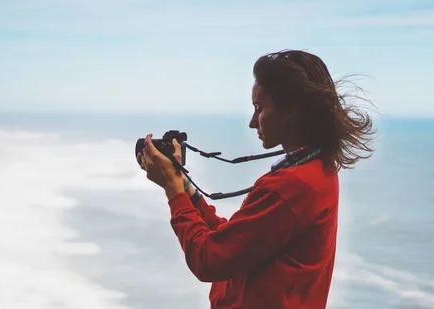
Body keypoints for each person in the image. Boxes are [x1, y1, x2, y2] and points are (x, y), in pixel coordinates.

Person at [137, 49, 376, 309]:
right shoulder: (318, 169)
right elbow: (237, 242)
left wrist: (173, 192)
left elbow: (208, 259)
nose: (252, 122)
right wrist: (186, 189)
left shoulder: (291, 186)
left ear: (291, 111)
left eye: (259, 108)